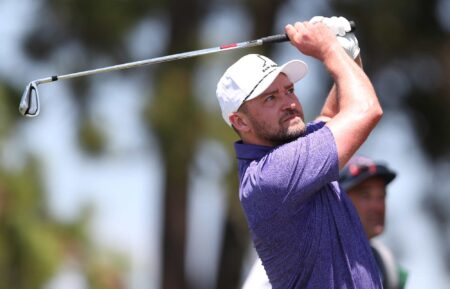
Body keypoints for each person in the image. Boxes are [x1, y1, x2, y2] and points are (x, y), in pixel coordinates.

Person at [216, 15, 384, 289]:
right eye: (271, 98)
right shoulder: (271, 176)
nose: (290, 103)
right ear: (240, 121)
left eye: (289, 90)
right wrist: (329, 50)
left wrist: (348, 54)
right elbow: (366, 110)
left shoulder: (294, 150)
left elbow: (335, 115)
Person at [242, 156, 409, 289]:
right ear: (338, 201)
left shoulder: (386, 265)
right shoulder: (300, 252)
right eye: (365, 195)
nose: (377, 206)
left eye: (382, 196)